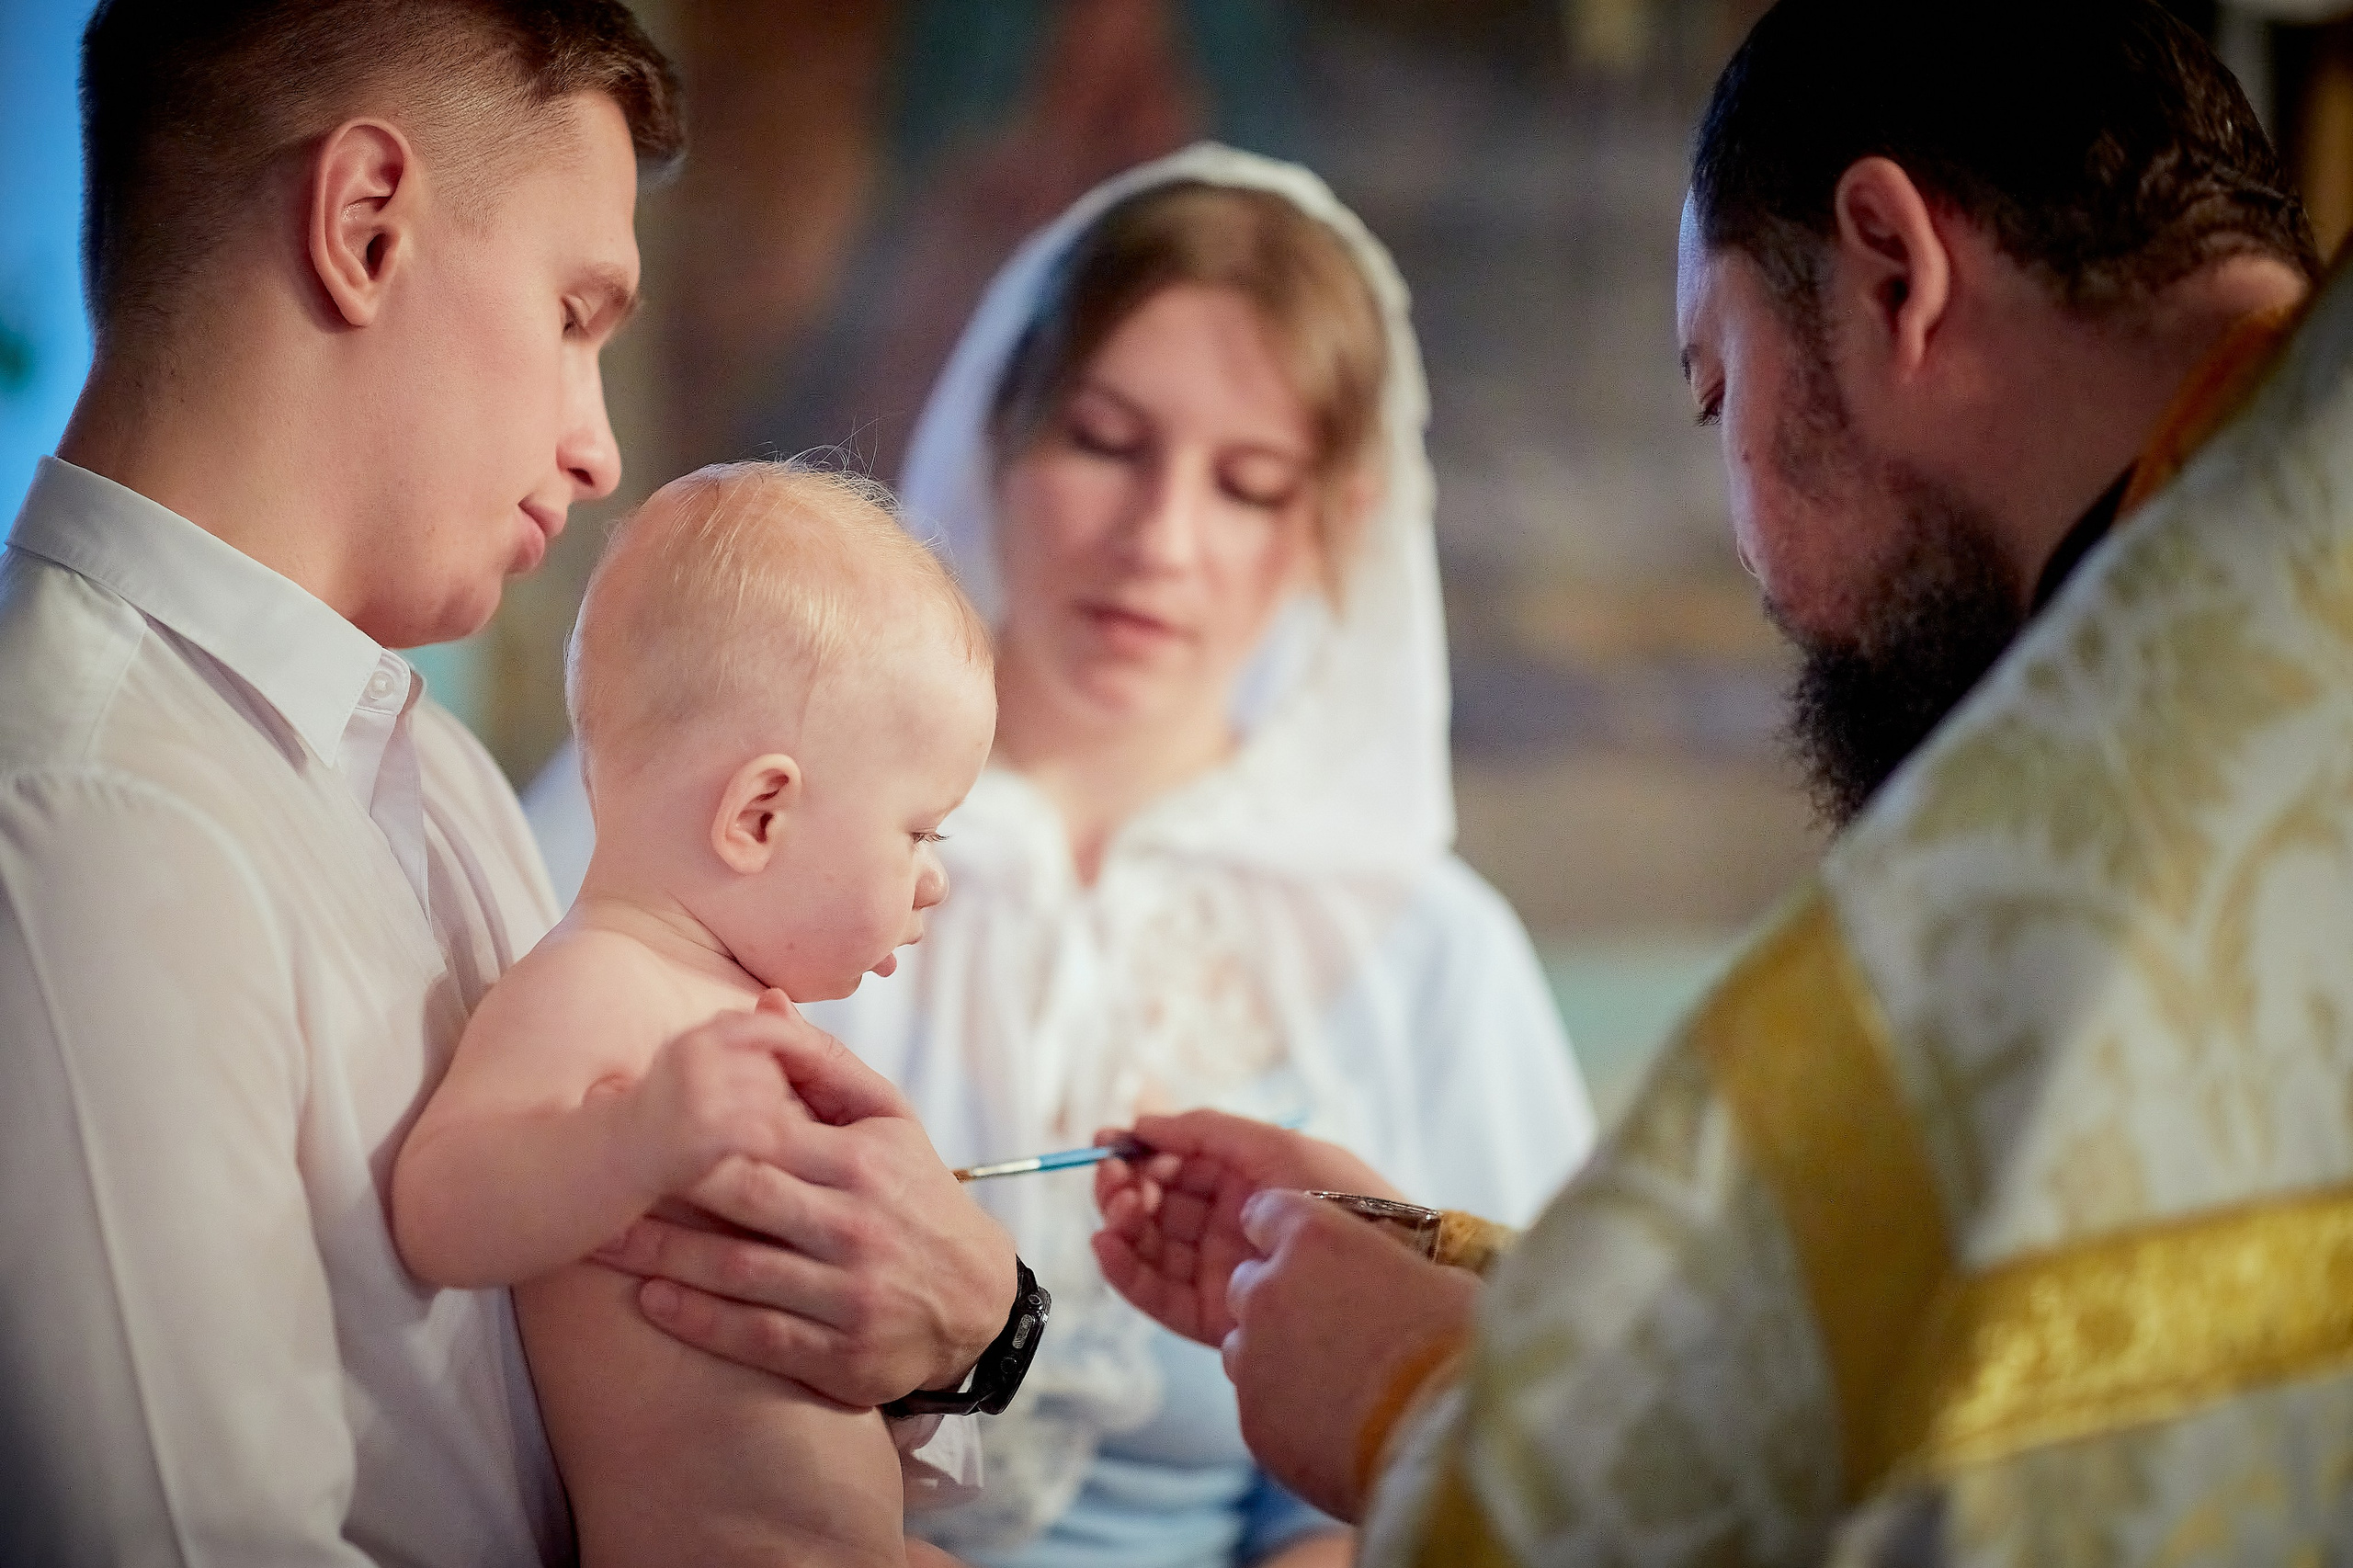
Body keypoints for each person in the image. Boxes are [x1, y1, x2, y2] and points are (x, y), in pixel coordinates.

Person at [1096, 2, 2353, 1562]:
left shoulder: (2116, 814)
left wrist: (1422, 1411)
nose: (1748, 550)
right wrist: (1444, 1264)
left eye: (1716, 388)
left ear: (1893, 268)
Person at [0, 6, 1021, 1562]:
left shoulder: (438, 767)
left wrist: (933, 1327)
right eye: (573, 313)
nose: (601, 447)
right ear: (365, 226)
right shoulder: (84, 815)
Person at [525, 141, 1599, 1567]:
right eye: (1104, 441)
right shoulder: (722, 802)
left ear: (1330, 526)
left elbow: (1466, 1485)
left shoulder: (1431, 956)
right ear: (1001, 435)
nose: (1160, 538)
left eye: (1250, 482)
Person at [393, 465, 996, 1567]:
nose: (931, 881)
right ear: (759, 814)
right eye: (921, 832)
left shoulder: (730, 1002)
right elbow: (438, 1207)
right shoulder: (594, 985)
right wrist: (637, 1133)